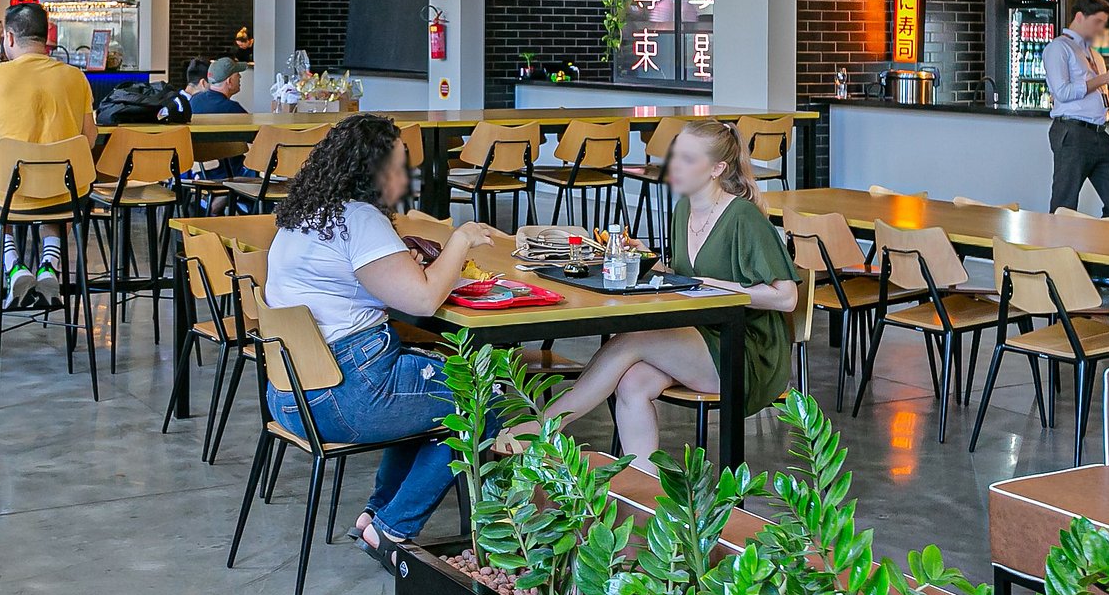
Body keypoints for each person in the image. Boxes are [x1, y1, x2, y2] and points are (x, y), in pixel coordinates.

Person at [264, 114, 509, 562]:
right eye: (399, 166)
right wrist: (461, 240)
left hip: (291, 394)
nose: (407, 176)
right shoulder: (360, 219)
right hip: (347, 394)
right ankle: (393, 529)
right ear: (373, 173)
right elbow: (424, 300)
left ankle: (376, 515)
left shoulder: (307, 214)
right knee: (482, 398)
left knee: (432, 402)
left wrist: (400, 259)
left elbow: (361, 281)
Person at [513, 120, 797, 475]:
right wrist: (648, 259)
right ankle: (644, 490)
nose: (674, 166)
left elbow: (786, 298)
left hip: (743, 352)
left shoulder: (743, 217)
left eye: (688, 159)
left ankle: (549, 423)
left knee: (636, 337)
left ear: (717, 169)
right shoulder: (684, 210)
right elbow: (684, 278)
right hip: (701, 336)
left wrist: (711, 284)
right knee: (632, 383)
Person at [0, 2, 96, 305]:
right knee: (53, 197)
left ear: (8, 37)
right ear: (47, 37)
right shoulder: (76, 77)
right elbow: (90, 138)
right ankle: (48, 266)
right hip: (66, 194)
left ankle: (14, 266)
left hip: (11, 194)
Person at [1041, 0, 1109, 217]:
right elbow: (1062, 93)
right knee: (1064, 205)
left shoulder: (1094, 55)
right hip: (1072, 131)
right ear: (1079, 17)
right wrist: (1104, 79)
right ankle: (1058, 241)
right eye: (1097, 22)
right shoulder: (1058, 48)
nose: (1101, 29)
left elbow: (1104, 102)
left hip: (1099, 133)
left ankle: (1104, 240)